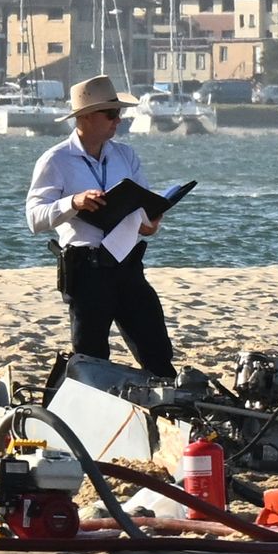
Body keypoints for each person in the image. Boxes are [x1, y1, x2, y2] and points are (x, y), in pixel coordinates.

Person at [26, 75, 179, 376]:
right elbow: (34, 218)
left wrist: (150, 225)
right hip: (86, 270)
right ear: (84, 117)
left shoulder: (126, 155)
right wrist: (73, 203)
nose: (117, 120)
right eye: (110, 114)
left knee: (157, 352)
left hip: (128, 265)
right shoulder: (55, 160)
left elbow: (143, 209)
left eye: (119, 113)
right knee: (91, 359)